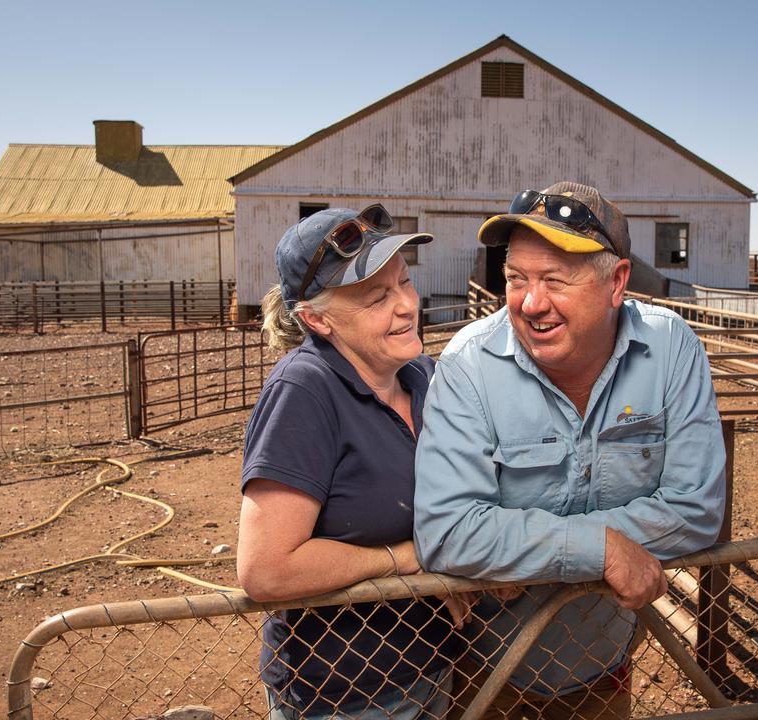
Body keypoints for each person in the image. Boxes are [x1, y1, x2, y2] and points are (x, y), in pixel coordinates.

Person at [413, 181, 727, 718]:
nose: (532, 303)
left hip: (603, 670)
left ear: (617, 283)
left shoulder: (671, 348)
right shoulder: (468, 364)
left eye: (555, 280)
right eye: (516, 279)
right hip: (482, 674)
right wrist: (602, 549)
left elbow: (696, 508)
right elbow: (448, 531)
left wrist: (521, 552)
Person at [237, 206, 468, 720]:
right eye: (377, 297)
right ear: (317, 319)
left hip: (432, 666)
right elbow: (266, 570)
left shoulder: (420, 376)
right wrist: (408, 560)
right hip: (345, 693)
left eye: (405, 282)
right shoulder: (305, 391)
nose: (408, 306)